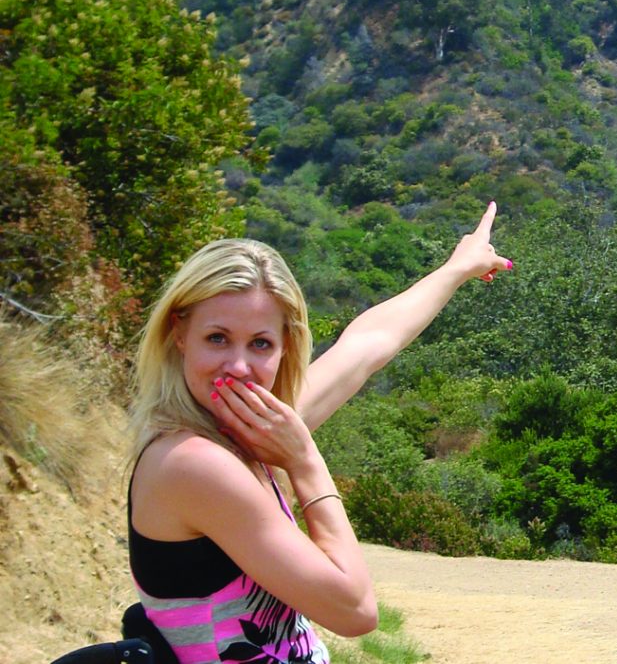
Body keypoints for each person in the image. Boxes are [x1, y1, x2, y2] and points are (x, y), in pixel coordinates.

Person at [125, 202, 512, 664]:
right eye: (217, 338)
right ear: (179, 335)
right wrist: (306, 462)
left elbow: (368, 343)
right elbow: (355, 610)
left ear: (285, 346)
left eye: (260, 344)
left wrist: (456, 269)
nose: (239, 367)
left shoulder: (244, 429)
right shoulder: (193, 463)